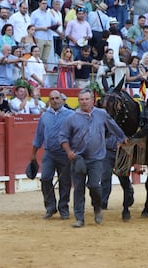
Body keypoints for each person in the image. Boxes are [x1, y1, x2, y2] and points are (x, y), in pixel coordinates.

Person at [59, 88, 127, 228]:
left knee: (95, 185)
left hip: (96, 157)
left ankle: (97, 208)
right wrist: (68, 152)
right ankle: (79, 218)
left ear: (92, 101)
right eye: (81, 100)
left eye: (86, 99)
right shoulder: (71, 118)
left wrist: (122, 137)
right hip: (78, 158)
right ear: (79, 101)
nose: (84, 102)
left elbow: (112, 126)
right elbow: (63, 137)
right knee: (78, 188)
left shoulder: (101, 114)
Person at [31, 90, 74, 220]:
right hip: (49, 153)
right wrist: (33, 154)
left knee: (65, 182)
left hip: (64, 154)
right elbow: (38, 136)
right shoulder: (45, 116)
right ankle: (50, 207)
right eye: (52, 98)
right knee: (45, 178)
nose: (55, 101)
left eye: (57, 98)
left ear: (62, 99)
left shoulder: (71, 115)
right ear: (49, 100)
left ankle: (63, 208)